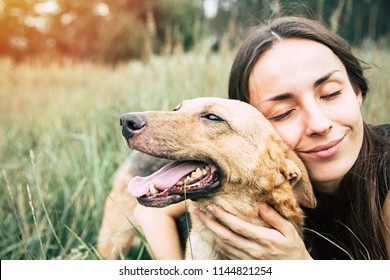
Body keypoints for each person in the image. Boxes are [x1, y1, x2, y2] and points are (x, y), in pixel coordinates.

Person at [133, 15, 390, 260]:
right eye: (283, 113)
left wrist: (301, 265)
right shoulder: (252, 181)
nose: (319, 124)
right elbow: (151, 214)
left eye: (331, 93)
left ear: (356, 91)